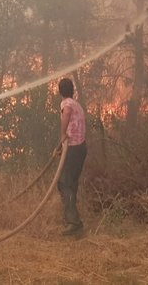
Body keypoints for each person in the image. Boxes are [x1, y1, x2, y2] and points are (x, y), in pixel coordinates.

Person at [57, 77, 87, 236]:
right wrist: (61, 145)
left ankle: (73, 222)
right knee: (71, 183)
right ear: (72, 90)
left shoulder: (66, 103)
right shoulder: (78, 105)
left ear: (59, 92)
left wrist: (62, 135)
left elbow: (67, 113)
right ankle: (73, 222)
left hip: (74, 148)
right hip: (81, 147)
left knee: (63, 183)